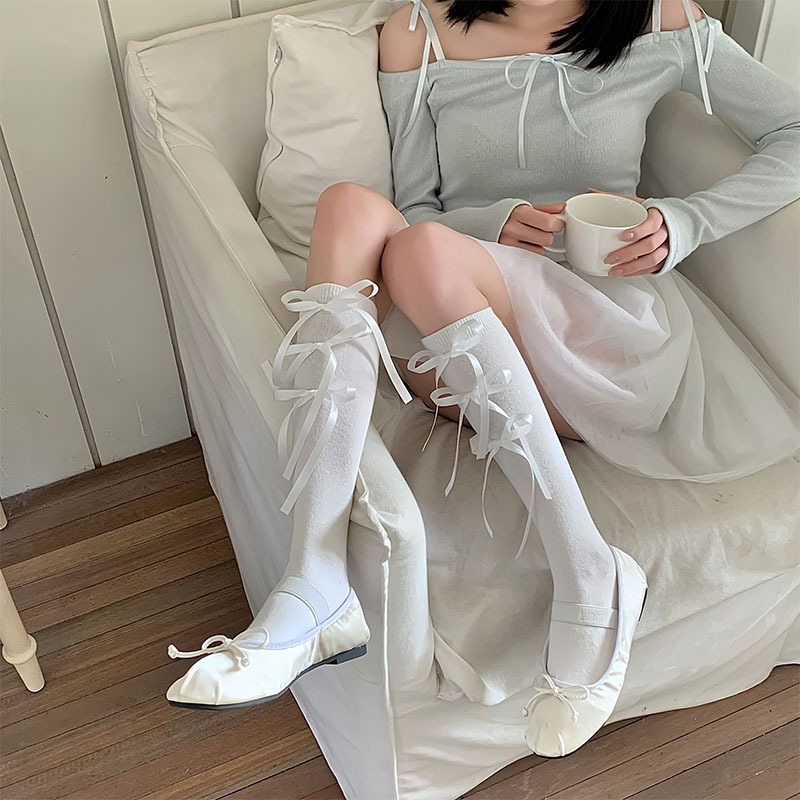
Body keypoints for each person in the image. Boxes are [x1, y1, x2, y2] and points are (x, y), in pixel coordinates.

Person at [164, 0, 800, 757]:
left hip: (605, 339)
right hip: (468, 339)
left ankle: (589, 569)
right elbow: (415, 209)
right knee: (350, 208)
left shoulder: (662, 18)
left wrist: (686, 222)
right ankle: (314, 576)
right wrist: (489, 222)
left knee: (421, 252)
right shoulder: (418, 31)